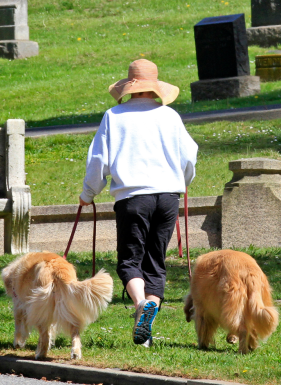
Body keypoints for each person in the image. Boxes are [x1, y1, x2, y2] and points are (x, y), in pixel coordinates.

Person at [79, 59, 198, 347]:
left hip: (132, 198)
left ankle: (140, 303)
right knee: (155, 263)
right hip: (168, 197)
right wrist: (182, 182)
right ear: (155, 88)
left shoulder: (114, 116)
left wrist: (88, 193)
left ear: (129, 87)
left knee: (130, 261)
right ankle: (146, 327)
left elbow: (99, 160)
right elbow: (189, 156)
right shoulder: (170, 116)